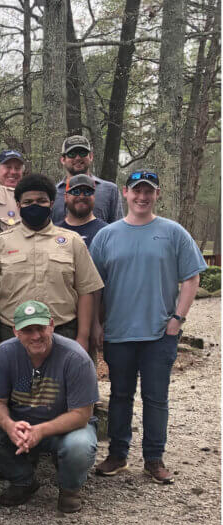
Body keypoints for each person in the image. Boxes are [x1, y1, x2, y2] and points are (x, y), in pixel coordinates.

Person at [90, 170, 206, 484]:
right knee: (120, 395)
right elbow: (95, 286)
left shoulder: (173, 232)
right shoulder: (107, 236)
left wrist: (177, 319)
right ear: (125, 193)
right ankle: (117, 454)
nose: (142, 197)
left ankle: (154, 458)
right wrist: (97, 324)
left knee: (156, 398)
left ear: (157, 194)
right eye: (137, 191)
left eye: (149, 192)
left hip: (159, 333)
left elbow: (192, 277)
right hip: (118, 332)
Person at [0, 301, 98, 513]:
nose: (35, 336)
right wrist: (9, 425)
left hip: (64, 428)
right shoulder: (4, 353)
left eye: (40, 328)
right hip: (20, 425)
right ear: (15, 331)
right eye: (27, 330)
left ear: (51, 325)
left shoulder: (76, 357)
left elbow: (81, 414)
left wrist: (41, 430)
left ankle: (69, 489)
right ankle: (23, 480)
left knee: (79, 446)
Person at [0, 174, 104, 357]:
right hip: (13, 334)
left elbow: (86, 290)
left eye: (41, 201)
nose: (35, 205)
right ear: (18, 204)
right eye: (28, 201)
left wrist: (83, 336)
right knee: (20, 385)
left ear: (52, 203)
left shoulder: (73, 242)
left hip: (63, 332)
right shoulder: (0, 244)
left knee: (62, 385)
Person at [52, 135, 124, 225]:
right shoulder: (52, 193)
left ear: (91, 156)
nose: (78, 158)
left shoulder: (110, 190)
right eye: (72, 154)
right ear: (63, 160)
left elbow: (117, 228)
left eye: (82, 153)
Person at [56, 174, 107, 248]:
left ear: (94, 197)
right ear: (66, 197)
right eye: (76, 192)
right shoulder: (53, 232)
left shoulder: (106, 233)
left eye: (87, 192)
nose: (82, 196)